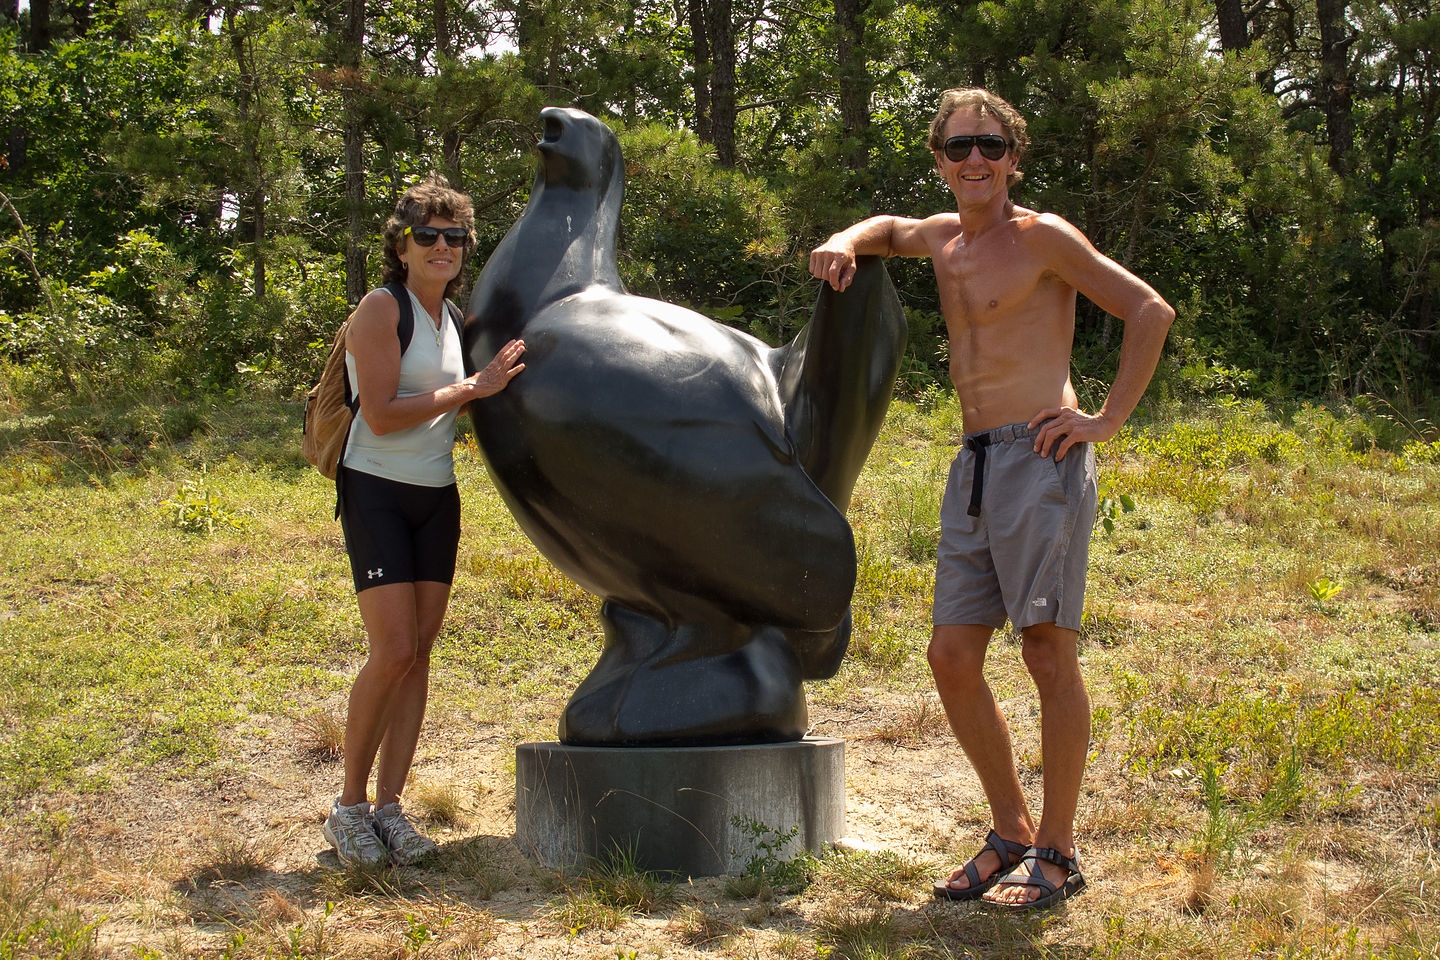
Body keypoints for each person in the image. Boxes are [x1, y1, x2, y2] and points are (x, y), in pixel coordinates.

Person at [810, 88, 1174, 909]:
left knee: (1046, 652)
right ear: (940, 161)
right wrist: (841, 239)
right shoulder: (943, 239)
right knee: (950, 656)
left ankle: (1059, 849)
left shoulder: (1042, 237)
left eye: (991, 146)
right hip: (972, 463)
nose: (975, 159)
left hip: (1040, 459)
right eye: (959, 147)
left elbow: (1150, 308)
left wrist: (1105, 419)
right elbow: (885, 231)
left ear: (1015, 157)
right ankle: (1009, 829)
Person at [323, 175, 526, 867]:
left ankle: (389, 809)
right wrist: (473, 386)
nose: (444, 246)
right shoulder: (383, 309)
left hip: (436, 495)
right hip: (375, 488)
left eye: (456, 236)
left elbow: (460, 400)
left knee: (419, 657)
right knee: (393, 650)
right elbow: (380, 411)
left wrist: (490, 384)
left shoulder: (456, 322)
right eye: (428, 236)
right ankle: (347, 808)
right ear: (402, 245)